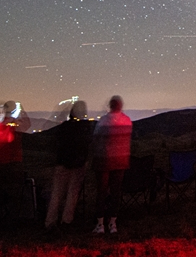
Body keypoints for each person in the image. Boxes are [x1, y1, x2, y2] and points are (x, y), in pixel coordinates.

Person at [45, 100, 93, 229]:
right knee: (73, 193)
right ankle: (66, 221)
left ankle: (50, 221)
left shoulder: (64, 126)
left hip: (62, 162)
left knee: (57, 193)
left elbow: (56, 141)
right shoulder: (85, 127)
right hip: (78, 163)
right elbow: (88, 142)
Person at [91, 96, 132, 234]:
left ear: (110, 105)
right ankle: (113, 223)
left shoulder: (104, 120)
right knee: (115, 193)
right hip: (121, 161)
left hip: (104, 160)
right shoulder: (127, 120)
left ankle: (100, 224)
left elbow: (96, 138)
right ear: (121, 105)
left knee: (102, 192)